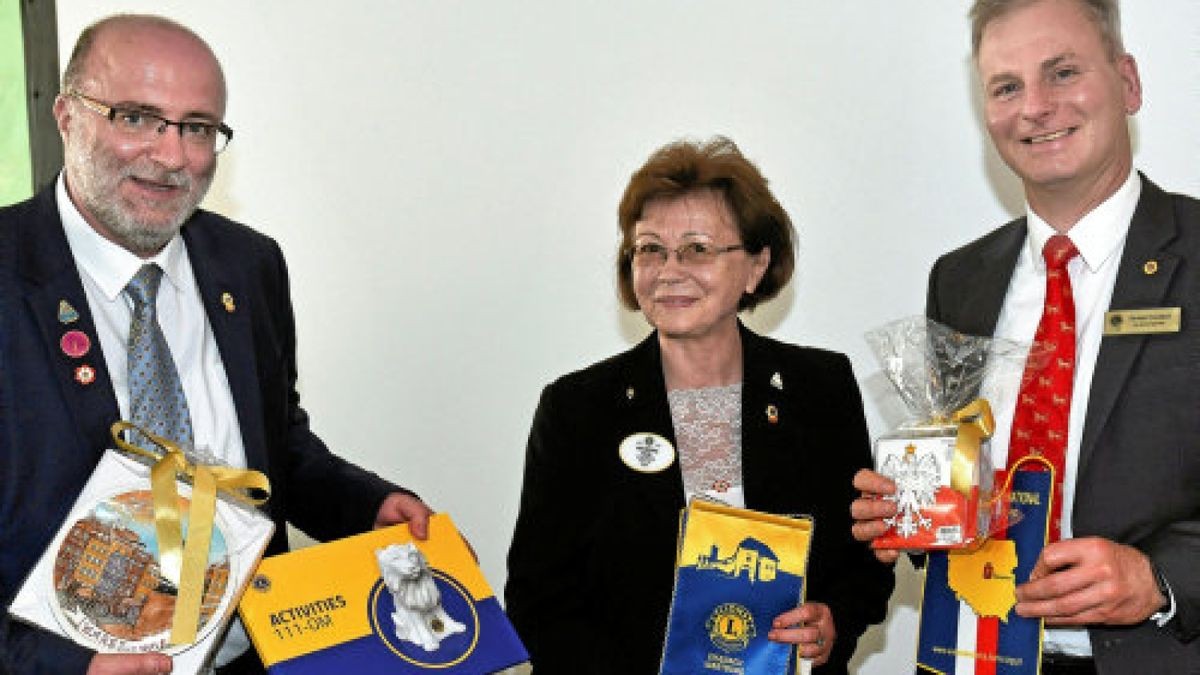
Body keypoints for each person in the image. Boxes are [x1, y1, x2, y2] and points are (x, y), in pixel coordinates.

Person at [0, 15, 433, 674]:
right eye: (138, 117)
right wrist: (62, 665)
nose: (173, 157)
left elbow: (276, 443)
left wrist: (363, 503)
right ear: (66, 115)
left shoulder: (249, 265)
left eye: (198, 127)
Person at [851, 0, 1200, 672]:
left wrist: (1158, 579)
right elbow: (961, 489)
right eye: (1006, 87)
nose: (1034, 107)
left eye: (1062, 72)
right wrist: (910, 509)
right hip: (975, 654)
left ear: (1127, 82)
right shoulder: (959, 280)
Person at [505, 137, 894, 674]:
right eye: (650, 249)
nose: (670, 270)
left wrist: (834, 621)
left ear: (756, 265)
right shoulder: (577, 410)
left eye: (697, 249)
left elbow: (863, 562)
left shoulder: (819, 387)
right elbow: (539, 602)